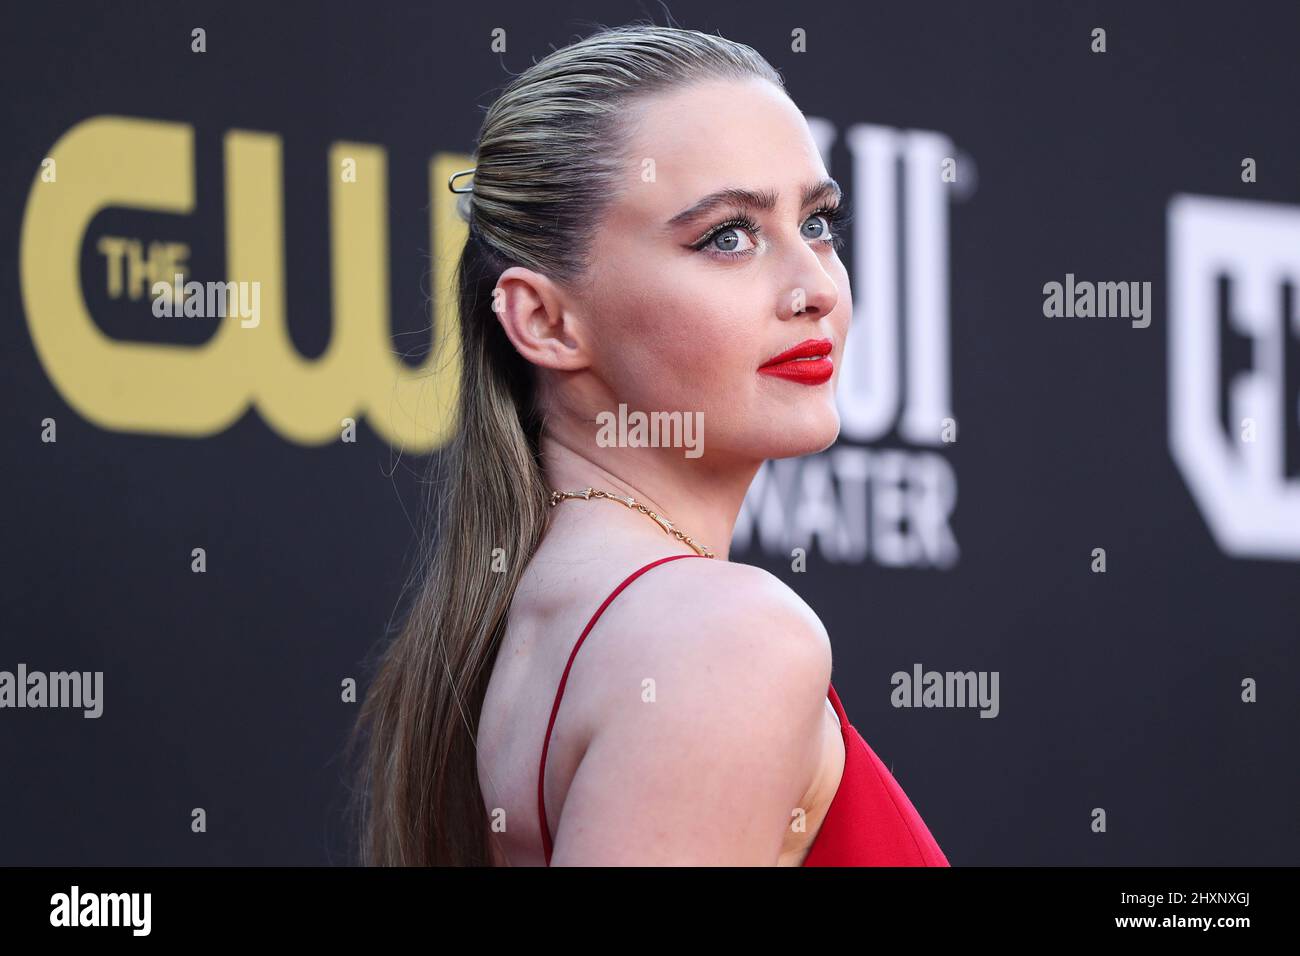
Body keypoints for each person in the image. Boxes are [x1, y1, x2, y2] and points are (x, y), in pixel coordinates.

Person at [349, 21, 948, 867]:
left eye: (817, 223)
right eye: (727, 236)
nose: (814, 287)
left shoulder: (537, 616)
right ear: (546, 320)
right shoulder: (722, 639)